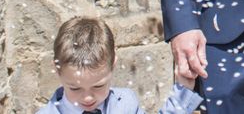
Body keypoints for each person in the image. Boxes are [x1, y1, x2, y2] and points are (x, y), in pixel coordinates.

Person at [37, 16, 203, 114]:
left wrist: (184, 89)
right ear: (57, 69)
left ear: (113, 64)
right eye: (75, 88)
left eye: (98, 86)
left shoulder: (126, 104)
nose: (87, 98)